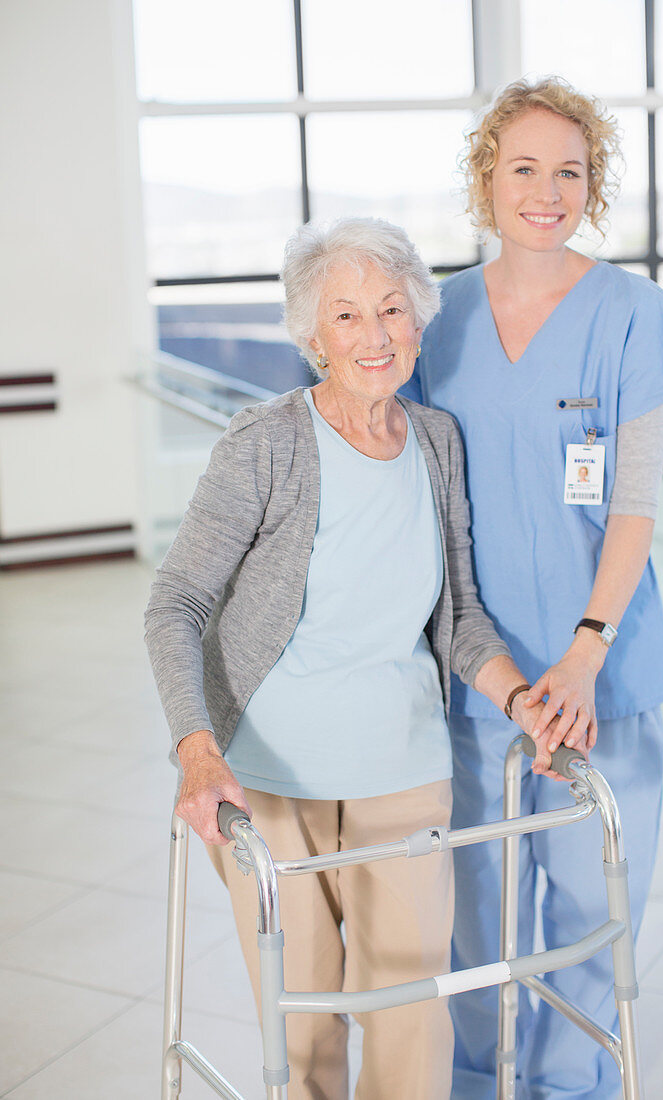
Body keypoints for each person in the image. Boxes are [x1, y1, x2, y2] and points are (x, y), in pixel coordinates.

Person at [145, 217, 575, 1100]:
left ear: (421, 322)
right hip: (266, 784)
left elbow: (460, 620)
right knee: (300, 1031)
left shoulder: (437, 441)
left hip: (403, 773)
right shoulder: (264, 444)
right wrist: (196, 750)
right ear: (313, 336)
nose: (374, 336)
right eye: (346, 316)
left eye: (392, 310)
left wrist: (520, 700)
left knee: (411, 1020)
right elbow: (177, 603)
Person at [401, 77, 663, 1100]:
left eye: (570, 170)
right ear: (486, 177)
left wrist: (585, 653)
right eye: (524, 167)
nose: (547, 190)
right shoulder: (433, 317)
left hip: (602, 671)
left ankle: (569, 1085)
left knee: (585, 913)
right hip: (477, 672)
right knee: (476, 914)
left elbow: (632, 506)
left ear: (596, 183)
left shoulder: (631, 314)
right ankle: (472, 1080)